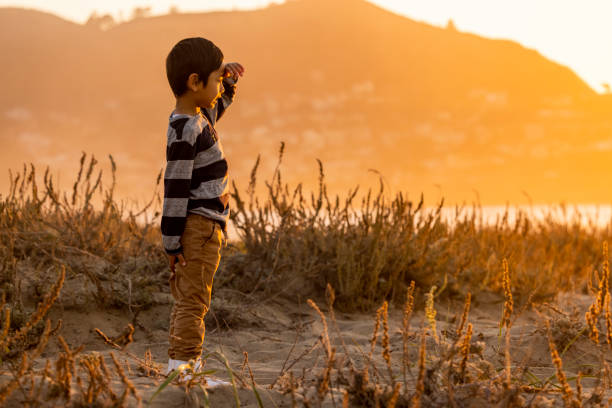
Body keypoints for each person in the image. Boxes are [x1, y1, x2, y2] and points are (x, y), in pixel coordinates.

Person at [161, 37, 245, 378]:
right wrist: (171, 241)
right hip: (197, 226)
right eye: (213, 79)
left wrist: (227, 80)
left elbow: (217, 106)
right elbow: (175, 187)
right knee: (194, 301)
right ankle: (182, 370)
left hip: (207, 227)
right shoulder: (185, 129)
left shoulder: (196, 118)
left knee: (194, 298)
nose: (218, 86)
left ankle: (182, 366)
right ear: (194, 82)